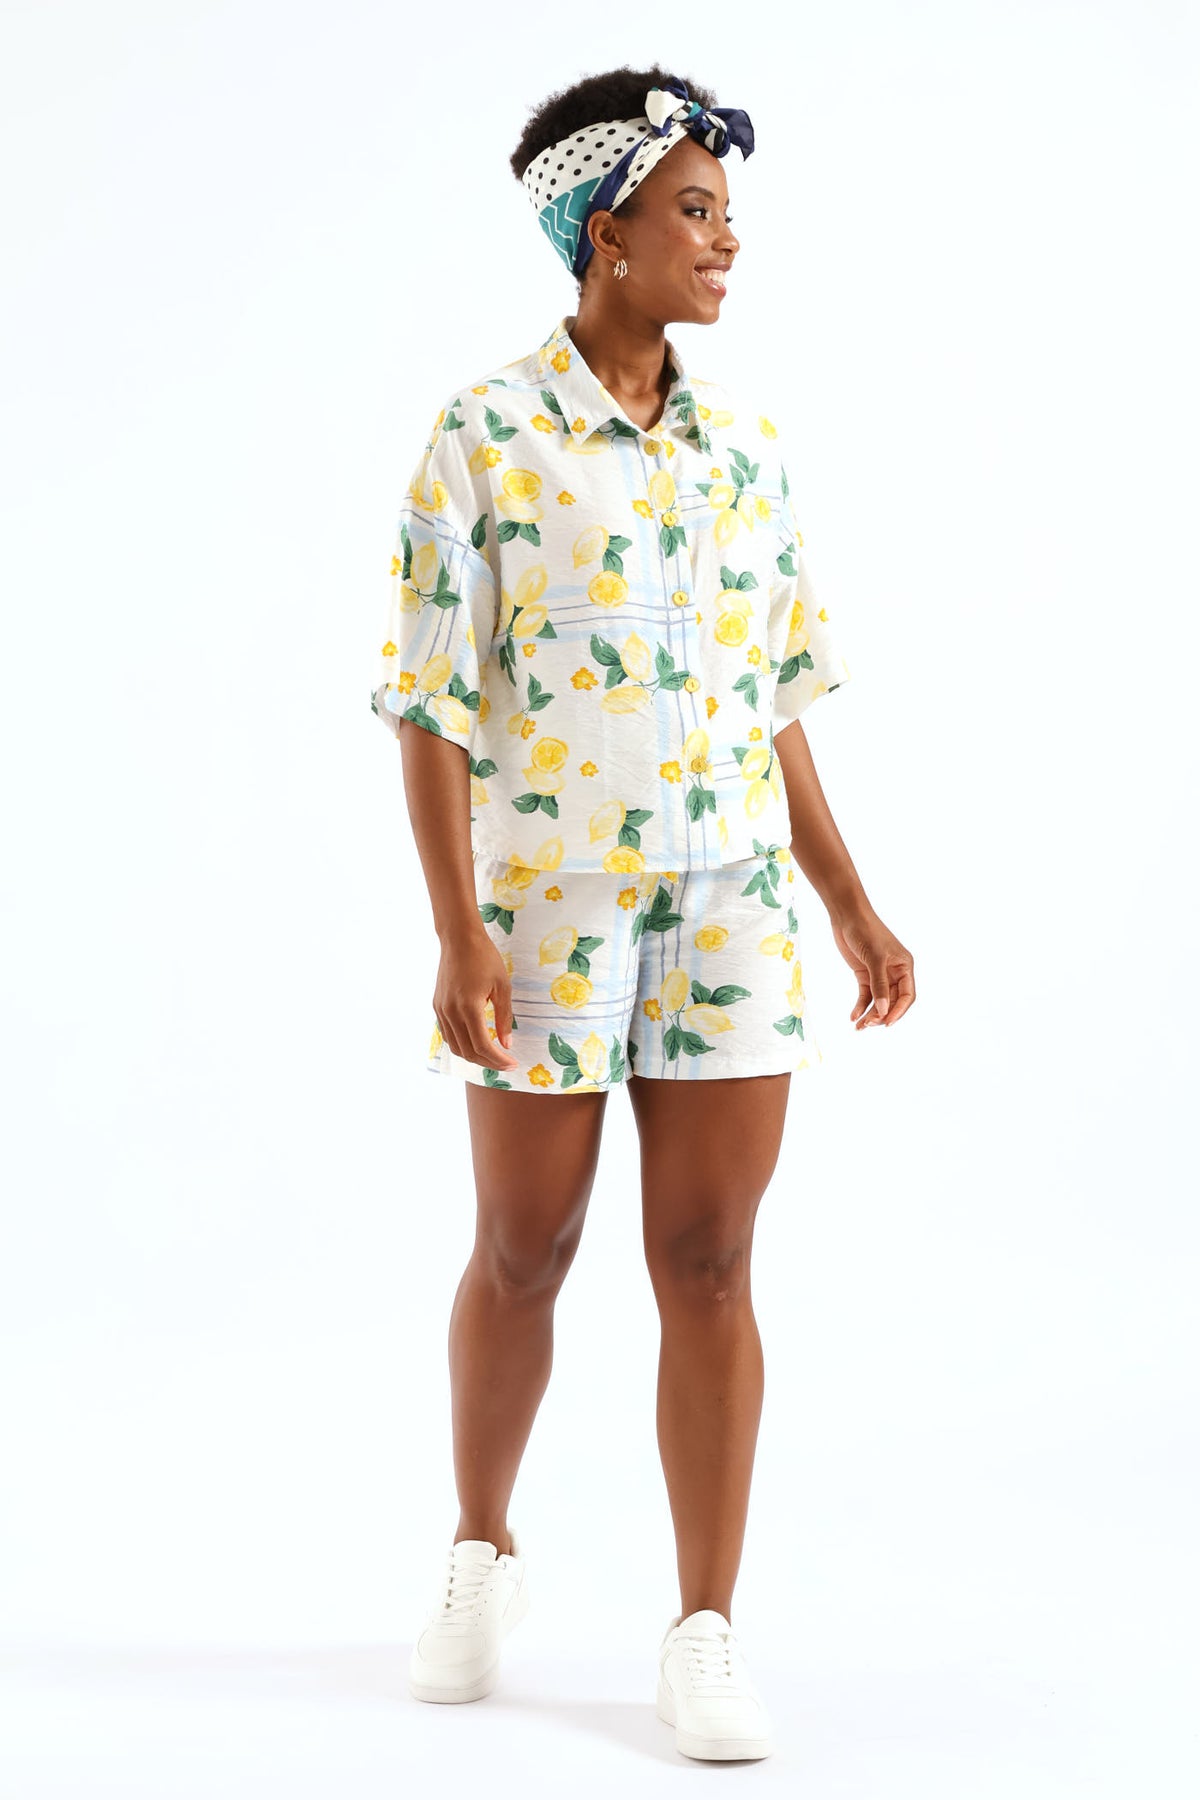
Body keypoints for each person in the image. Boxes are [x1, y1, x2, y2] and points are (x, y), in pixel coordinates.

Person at [371, 65, 916, 1762]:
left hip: (730, 908)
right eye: (696, 212)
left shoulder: (747, 448)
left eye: (729, 216)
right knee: (524, 1247)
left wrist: (848, 901)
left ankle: (704, 1628)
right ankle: (481, 1550)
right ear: (603, 232)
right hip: (545, 908)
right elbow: (429, 703)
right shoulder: (485, 433)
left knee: (712, 1259)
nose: (726, 242)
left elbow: (775, 699)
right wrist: (457, 928)